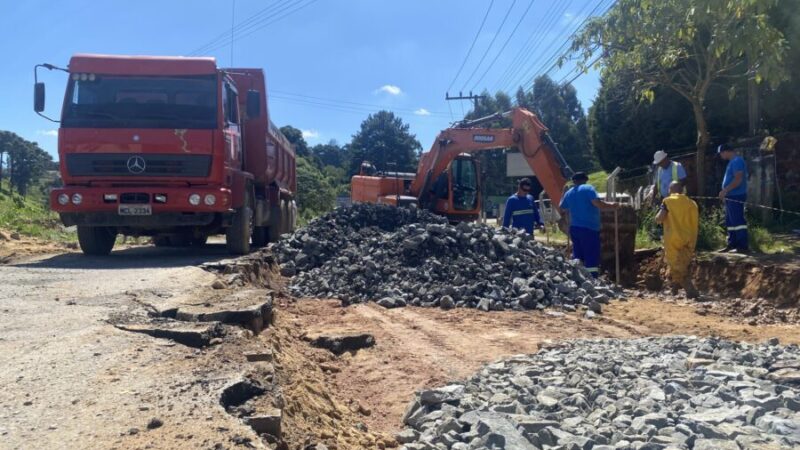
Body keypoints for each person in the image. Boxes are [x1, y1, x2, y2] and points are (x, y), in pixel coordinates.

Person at [558, 172, 619, 278]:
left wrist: (563, 193)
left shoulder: (569, 193)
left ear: (574, 181)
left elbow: (562, 207)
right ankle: (593, 280)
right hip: (589, 229)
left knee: (578, 256)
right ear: (585, 180)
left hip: (574, 229)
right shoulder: (588, 188)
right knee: (591, 255)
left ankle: (579, 279)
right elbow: (596, 203)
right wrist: (611, 205)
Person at [656, 181, 699, 298]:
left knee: (676, 266)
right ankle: (674, 289)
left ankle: (690, 289)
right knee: (681, 264)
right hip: (689, 239)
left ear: (670, 190)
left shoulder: (668, 201)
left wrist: (657, 219)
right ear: (682, 191)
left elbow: (660, 218)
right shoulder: (692, 203)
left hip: (674, 238)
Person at [717, 144, 749, 253]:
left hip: (736, 195)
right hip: (730, 196)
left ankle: (742, 246)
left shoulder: (736, 161)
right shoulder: (732, 162)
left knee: (738, 221)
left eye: (721, 153)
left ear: (726, 151)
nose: (720, 156)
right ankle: (732, 244)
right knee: (730, 221)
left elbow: (738, 179)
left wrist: (725, 190)